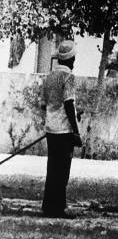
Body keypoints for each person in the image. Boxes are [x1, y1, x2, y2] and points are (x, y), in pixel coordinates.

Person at [40, 40, 82, 218]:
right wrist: (76, 131)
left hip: (51, 128)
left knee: (52, 168)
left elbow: (44, 105)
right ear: (71, 59)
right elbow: (68, 103)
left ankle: (48, 206)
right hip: (64, 130)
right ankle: (58, 208)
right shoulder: (69, 77)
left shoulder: (48, 77)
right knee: (63, 170)